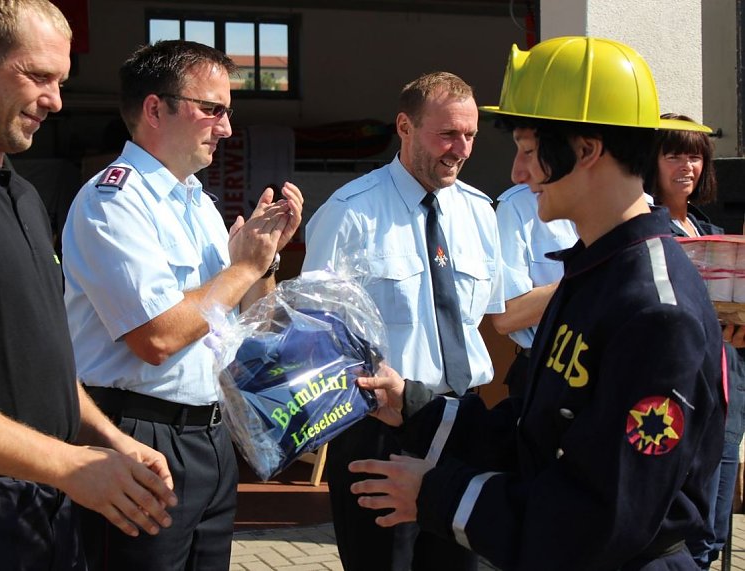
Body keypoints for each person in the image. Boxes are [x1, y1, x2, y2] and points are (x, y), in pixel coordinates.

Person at [347, 36, 725, 570]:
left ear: (586, 150)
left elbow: (604, 517)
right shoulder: (595, 274)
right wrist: (413, 405)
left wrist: (439, 495)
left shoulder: (656, 311)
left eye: (528, 151)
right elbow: (535, 431)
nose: (518, 173)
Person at [0, 1, 178, 569]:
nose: (56, 101)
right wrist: (67, 464)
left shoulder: (18, 192)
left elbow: (39, 362)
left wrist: (105, 439)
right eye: (39, 76)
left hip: (39, 512)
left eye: (60, 81)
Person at [61, 39, 303, 571]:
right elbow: (158, 337)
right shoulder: (114, 201)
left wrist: (264, 262)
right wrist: (241, 269)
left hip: (210, 437)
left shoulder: (197, 202)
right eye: (212, 109)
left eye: (227, 112)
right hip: (138, 435)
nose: (226, 128)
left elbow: (245, 327)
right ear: (155, 109)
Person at [302, 71, 504, 571]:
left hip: (460, 423)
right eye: (447, 134)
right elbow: (315, 332)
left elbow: (484, 320)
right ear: (405, 127)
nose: (461, 149)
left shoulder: (480, 212)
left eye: (470, 135)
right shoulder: (351, 212)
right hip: (381, 429)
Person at [643, 114, 745, 569]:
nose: (687, 166)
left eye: (695, 156)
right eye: (673, 155)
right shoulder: (645, 228)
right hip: (677, 398)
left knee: (714, 529)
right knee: (680, 535)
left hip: (726, 392)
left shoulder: (711, 231)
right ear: (650, 161)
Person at [491, 183, 577, 397]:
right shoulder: (518, 205)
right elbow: (506, 316)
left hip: (616, 365)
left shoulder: (635, 203)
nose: (518, 173)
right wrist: (588, 276)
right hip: (547, 371)